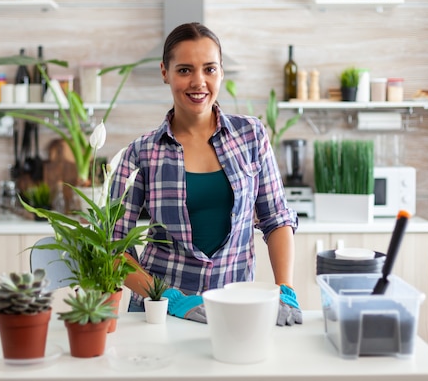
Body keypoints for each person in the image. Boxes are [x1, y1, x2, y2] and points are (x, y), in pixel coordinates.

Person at [110, 22, 301, 326]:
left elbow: (275, 217)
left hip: (236, 307)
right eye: (184, 70)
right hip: (161, 314)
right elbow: (114, 246)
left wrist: (285, 287)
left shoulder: (251, 136)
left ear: (221, 72)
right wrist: (167, 297)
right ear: (165, 72)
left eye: (209, 69)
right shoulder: (141, 153)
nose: (198, 82)